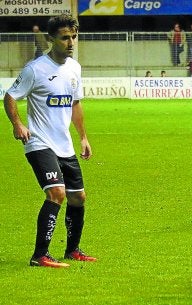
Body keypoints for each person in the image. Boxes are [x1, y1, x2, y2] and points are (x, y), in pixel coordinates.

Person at [3, 14, 96, 268]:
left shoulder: (74, 68)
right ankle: (39, 255)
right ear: (50, 39)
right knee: (57, 193)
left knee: (79, 198)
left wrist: (84, 137)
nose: (71, 42)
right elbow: (10, 97)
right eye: (65, 38)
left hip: (64, 144)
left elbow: (75, 103)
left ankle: (72, 250)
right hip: (39, 142)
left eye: (73, 37)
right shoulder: (35, 69)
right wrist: (18, 124)